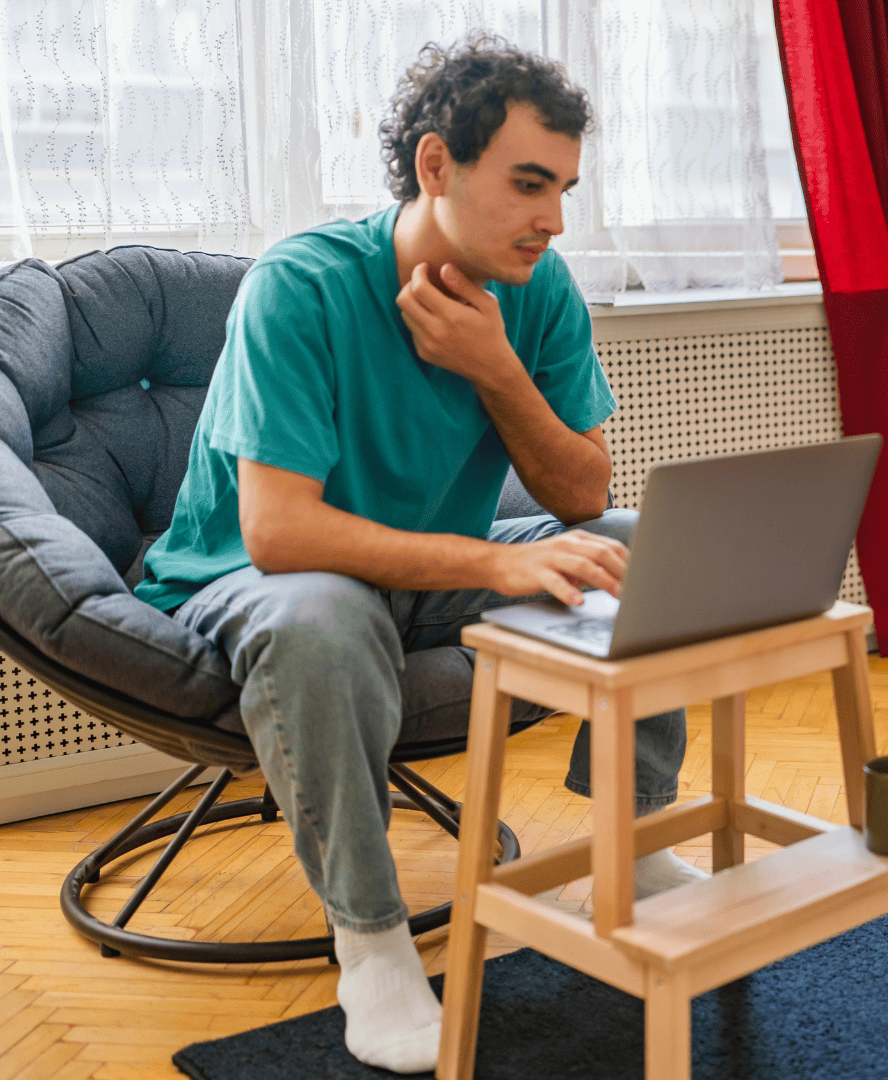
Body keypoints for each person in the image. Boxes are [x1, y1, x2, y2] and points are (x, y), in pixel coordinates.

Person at [133, 35, 702, 1073]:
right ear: (436, 165)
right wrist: (493, 566)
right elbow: (279, 533)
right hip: (247, 578)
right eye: (531, 185)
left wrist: (496, 369)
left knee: (640, 549)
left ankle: (635, 844)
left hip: (427, 567)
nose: (554, 219)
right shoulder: (298, 288)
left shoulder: (536, 287)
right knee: (324, 613)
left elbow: (584, 493)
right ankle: (372, 939)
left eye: (567, 189)